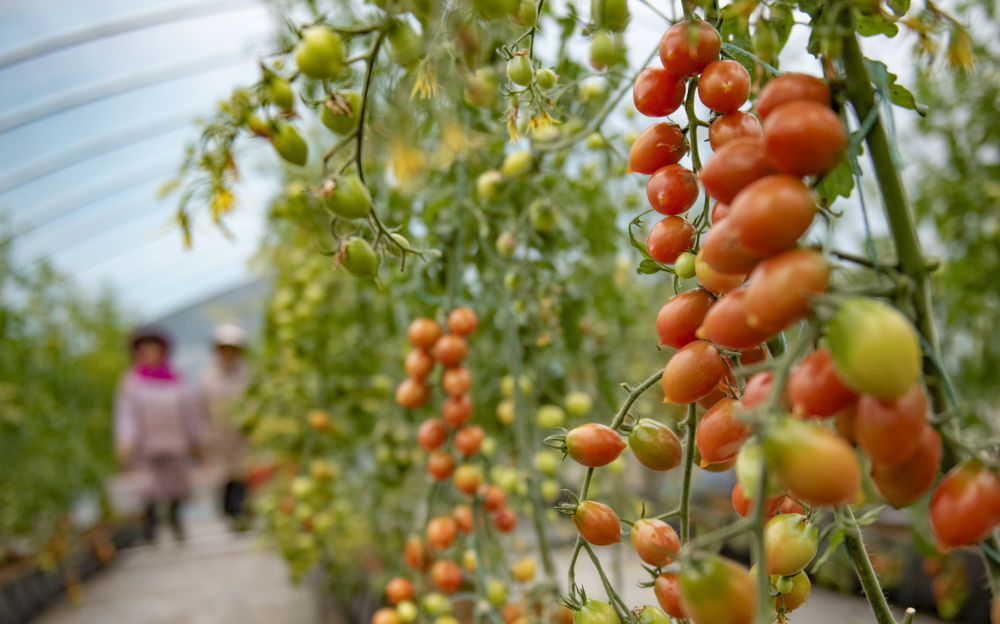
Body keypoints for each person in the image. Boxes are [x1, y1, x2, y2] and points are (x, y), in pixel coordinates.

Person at [114, 328, 202, 542]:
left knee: (177, 486)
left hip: (174, 441)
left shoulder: (177, 379)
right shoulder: (132, 381)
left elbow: (189, 410)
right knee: (147, 488)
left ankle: (175, 519)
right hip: (145, 444)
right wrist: (125, 440)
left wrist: (196, 438)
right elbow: (126, 414)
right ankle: (150, 527)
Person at [199, 324, 252, 529]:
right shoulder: (208, 376)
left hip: (242, 433)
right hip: (218, 435)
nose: (228, 353)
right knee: (222, 476)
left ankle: (239, 512)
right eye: (224, 348)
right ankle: (228, 511)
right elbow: (202, 408)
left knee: (241, 473)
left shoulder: (247, 373)